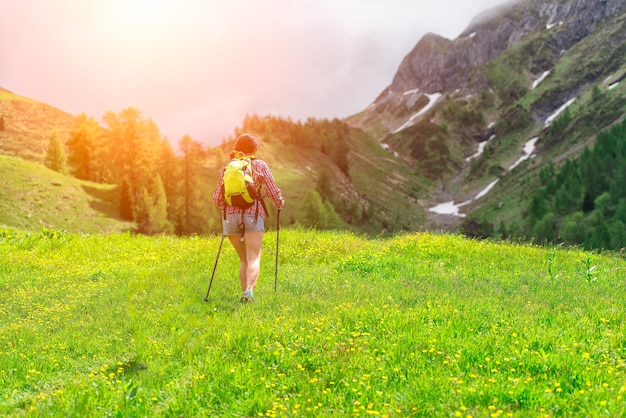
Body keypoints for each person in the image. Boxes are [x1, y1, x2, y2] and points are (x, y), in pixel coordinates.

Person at [212, 133, 284, 303]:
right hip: (253, 214)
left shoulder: (227, 167)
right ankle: (249, 292)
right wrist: (279, 202)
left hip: (230, 217)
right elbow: (273, 190)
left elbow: (217, 199)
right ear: (255, 149)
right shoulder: (260, 165)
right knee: (253, 256)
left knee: (243, 259)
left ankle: (244, 293)